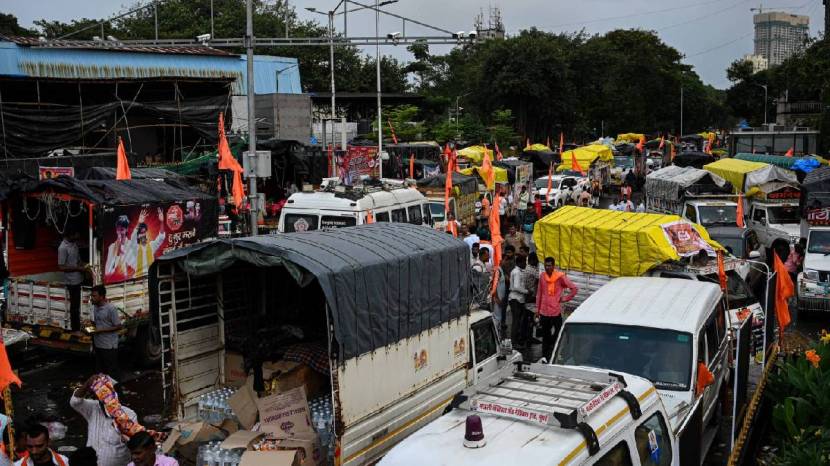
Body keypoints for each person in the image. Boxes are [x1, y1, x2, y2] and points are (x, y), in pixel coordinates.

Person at [71, 374, 136, 466]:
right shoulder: (93, 408)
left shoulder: (129, 415)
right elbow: (75, 402)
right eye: (101, 397)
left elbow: (134, 445)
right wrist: (87, 385)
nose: (105, 402)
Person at [535, 257, 578, 359]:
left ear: (553, 266)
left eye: (549, 265)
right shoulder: (542, 276)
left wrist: (565, 299)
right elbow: (539, 293)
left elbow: (574, 289)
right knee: (545, 335)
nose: (547, 267)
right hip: (544, 312)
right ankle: (545, 356)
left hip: (555, 311)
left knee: (558, 332)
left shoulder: (560, 277)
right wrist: (537, 310)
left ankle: (554, 350)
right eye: (546, 265)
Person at [88, 285, 122, 379]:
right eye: (92, 296)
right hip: (98, 345)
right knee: (100, 373)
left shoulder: (111, 308)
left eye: (94, 296)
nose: (92, 298)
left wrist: (101, 330)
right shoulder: (95, 307)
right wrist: (89, 326)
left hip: (109, 346)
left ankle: (117, 392)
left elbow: (118, 326)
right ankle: (104, 393)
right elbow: (97, 323)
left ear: (102, 297)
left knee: (112, 373)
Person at [59, 229, 86, 332]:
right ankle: (75, 329)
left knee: (79, 305)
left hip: (79, 279)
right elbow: (61, 267)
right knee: (74, 307)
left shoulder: (74, 244)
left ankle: (80, 326)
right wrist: (78, 268)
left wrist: (84, 265)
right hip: (71, 281)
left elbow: (78, 260)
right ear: (71, 235)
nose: (78, 235)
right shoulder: (62, 248)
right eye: (76, 234)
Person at [132, 208, 166, 279]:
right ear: (138, 236)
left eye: (144, 232)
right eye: (141, 233)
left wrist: (162, 222)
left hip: (151, 276)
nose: (143, 234)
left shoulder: (151, 245)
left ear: (147, 233)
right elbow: (133, 237)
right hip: (139, 278)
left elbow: (161, 237)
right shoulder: (135, 247)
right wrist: (139, 222)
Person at [508, 255, 530, 346]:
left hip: (518, 299)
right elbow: (516, 286)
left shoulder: (518, 271)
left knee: (518, 321)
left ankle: (516, 340)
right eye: (525, 262)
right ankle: (514, 342)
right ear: (520, 263)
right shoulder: (517, 272)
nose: (526, 264)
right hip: (515, 299)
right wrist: (527, 291)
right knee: (516, 322)